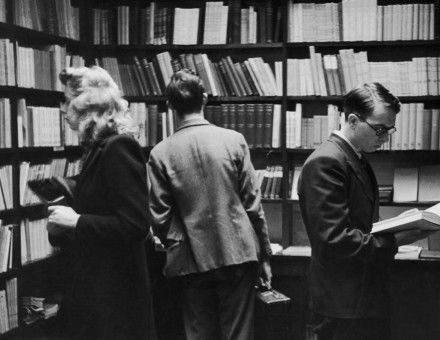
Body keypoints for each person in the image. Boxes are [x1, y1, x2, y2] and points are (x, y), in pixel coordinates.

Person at [297, 82, 433, 339]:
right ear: (352, 120)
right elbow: (334, 241)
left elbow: (359, 224)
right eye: (380, 129)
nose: (385, 138)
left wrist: (400, 223)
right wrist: (396, 239)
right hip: (342, 305)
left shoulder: (354, 157)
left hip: (360, 299)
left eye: (389, 129)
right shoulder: (326, 162)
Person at [147, 69, 272, 340]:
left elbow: (159, 218)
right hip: (238, 252)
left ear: (169, 105)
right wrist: (264, 255)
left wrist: (180, 242)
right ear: (204, 98)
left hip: (191, 259)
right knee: (238, 334)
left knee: (199, 334)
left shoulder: (160, 153)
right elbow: (253, 206)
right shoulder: (233, 141)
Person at [47, 66, 156, 339]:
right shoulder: (96, 149)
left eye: (67, 100)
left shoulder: (118, 147)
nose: (63, 108)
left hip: (115, 299)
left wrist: (77, 221)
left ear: (88, 107)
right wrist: (64, 229)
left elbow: (135, 225)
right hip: (97, 293)